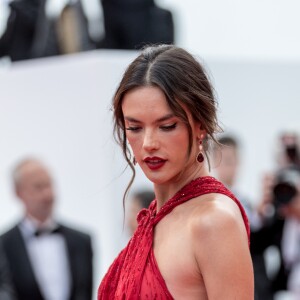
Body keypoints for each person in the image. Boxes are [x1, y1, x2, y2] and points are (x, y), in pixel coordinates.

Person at [98, 44, 254, 299]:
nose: (148, 143)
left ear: (201, 124)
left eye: (167, 126)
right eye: (134, 128)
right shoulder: (153, 220)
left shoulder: (214, 221)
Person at [0, 158, 93, 300]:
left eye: (49, 185)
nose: (47, 194)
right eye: (38, 187)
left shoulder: (82, 241)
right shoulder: (4, 244)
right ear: (18, 193)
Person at [213, 135, 274, 300]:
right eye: (224, 160)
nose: (230, 166)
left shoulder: (245, 200)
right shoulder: (212, 199)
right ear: (213, 162)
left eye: (232, 160)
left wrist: (262, 211)